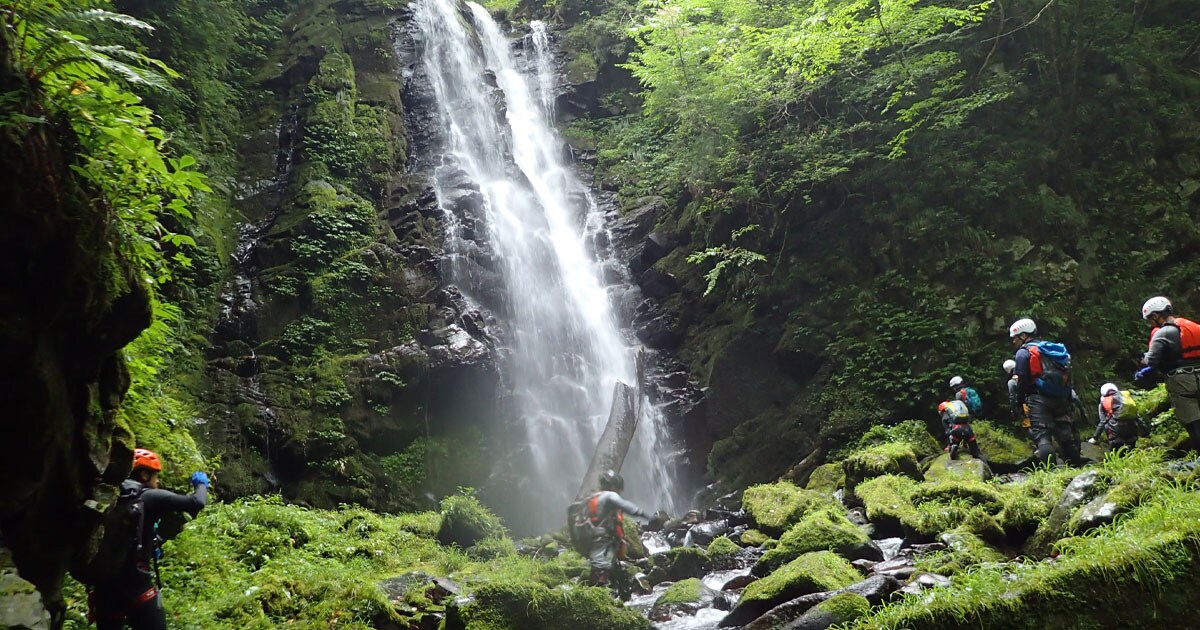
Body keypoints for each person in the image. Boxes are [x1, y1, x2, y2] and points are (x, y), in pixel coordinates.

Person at [91, 448, 209, 630]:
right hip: (137, 586)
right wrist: (201, 484)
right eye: (155, 476)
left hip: (105, 589)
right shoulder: (151, 496)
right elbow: (197, 502)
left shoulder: (111, 496)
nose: (158, 480)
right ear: (144, 475)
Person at [1010, 318, 1083, 466]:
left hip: (1037, 398)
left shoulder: (1023, 353)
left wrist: (1020, 402)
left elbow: (1022, 381)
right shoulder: (1053, 350)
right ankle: (1076, 468)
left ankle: (1050, 471)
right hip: (1061, 397)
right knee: (1065, 435)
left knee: (1042, 435)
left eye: (1015, 338)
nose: (1013, 342)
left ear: (1023, 336)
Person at [1136, 296, 1200, 451]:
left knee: (1192, 421)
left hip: (1182, 381)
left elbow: (1151, 360)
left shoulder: (1162, 333)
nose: (1150, 323)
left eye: (1150, 319)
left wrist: (1142, 360)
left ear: (1156, 315)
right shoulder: (1191, 325)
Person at [583, 470, 651, 599]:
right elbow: (625, 506)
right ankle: (596, 602)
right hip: (603, 542)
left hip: (598, 540)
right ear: (613, 485)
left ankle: (623, 600)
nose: (620, 491)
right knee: (600, 573)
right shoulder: (609, 496)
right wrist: (643, 514)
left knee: (618, 573)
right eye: (618, 487)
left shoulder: (594, 497)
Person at [1089, 383, 1138, 451]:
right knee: (1131, 452)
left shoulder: (1103, 402)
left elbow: (1103, 422)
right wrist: (1146, 432)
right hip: (1132, 431)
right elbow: (1137, 417)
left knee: (1115, 453)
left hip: (1116, 434)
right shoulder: (1125, 399)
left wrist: (1095, 438)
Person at [1003, 359, 1023, 425]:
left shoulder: (1011, 382)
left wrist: (1013, 411)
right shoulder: (1025, 373)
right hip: (1037, 400)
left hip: (1024, 406)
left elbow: (1012, 397)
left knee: (1029, 426)